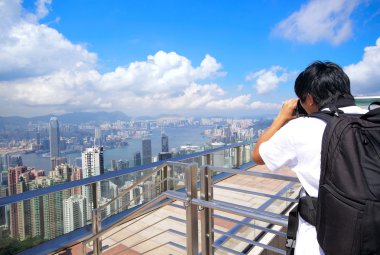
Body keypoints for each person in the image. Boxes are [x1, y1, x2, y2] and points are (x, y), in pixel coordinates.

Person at [252, 61, 367, 255]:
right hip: (370, 232)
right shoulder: (371, 118)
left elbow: (257, 155)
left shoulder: (302, 129)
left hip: (321, 240)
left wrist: (282, 117)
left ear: (310, 99)